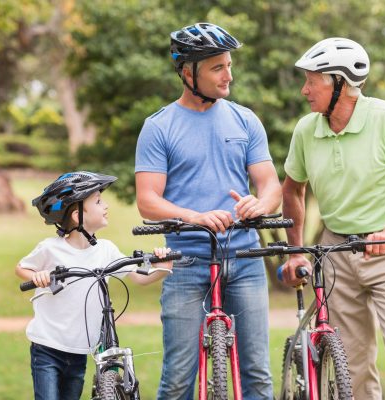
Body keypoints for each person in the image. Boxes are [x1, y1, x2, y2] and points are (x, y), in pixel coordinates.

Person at [134, 23, 281, 400]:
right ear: (187, 72)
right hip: (187, 263)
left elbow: (270, 185)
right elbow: (148, 201)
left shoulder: (245, 119)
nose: (228, 75)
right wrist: (195, 216)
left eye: (229, 65)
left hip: (246, 259)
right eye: (217, 68)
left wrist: (258, 205)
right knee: (178, 380)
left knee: (258, 379)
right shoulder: (159, 127)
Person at [280, 38, 385, 399]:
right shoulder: (306, 130)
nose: (304, 90)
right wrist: (296, 251)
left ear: (339, 84)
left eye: (311, 81)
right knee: (353, 361)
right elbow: (293, 190)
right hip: (336, 252)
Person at [15, 171, 173, 400]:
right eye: (98, 201)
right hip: (47, 348)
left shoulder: (106, 250)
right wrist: (38, 275)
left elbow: (139, 277)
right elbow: (22, 268)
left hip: (80, 351)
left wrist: (164, 265)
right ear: (79, 215)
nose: (106, 205)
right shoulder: (50, 248)